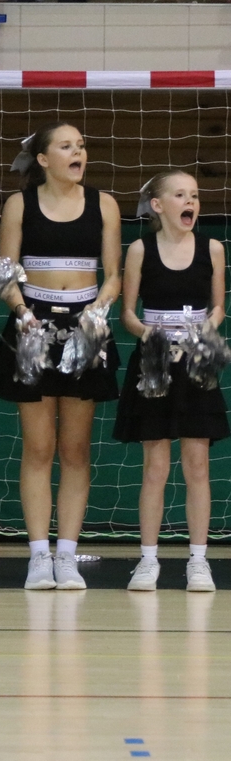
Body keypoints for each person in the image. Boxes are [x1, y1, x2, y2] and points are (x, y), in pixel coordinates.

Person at [0, 123, 121, 591]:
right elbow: (6, 273)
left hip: (86, 328)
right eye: (66, 146)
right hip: (33, 326)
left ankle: (66, 555)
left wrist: (97, 310)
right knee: (38, 447)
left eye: (81, 145)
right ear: (44, 159)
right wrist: (23, 313)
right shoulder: (19, 204)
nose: (77, 152)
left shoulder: (104, 204)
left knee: (75, 449)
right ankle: (38, 556)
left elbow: (113, 275)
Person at [115, 169, 226, 592]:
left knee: (197, 465)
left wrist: (203, 332)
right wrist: (151, 335)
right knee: (155, 467)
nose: (190, 201)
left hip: (197, 361)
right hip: (155, 361)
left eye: (194, 195)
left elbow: (218, 308)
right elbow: (128, 314)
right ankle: (148, 560)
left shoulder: (212, 248)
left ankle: (199, 561)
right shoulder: (139, 250)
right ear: (158, 205)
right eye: (180, 195)